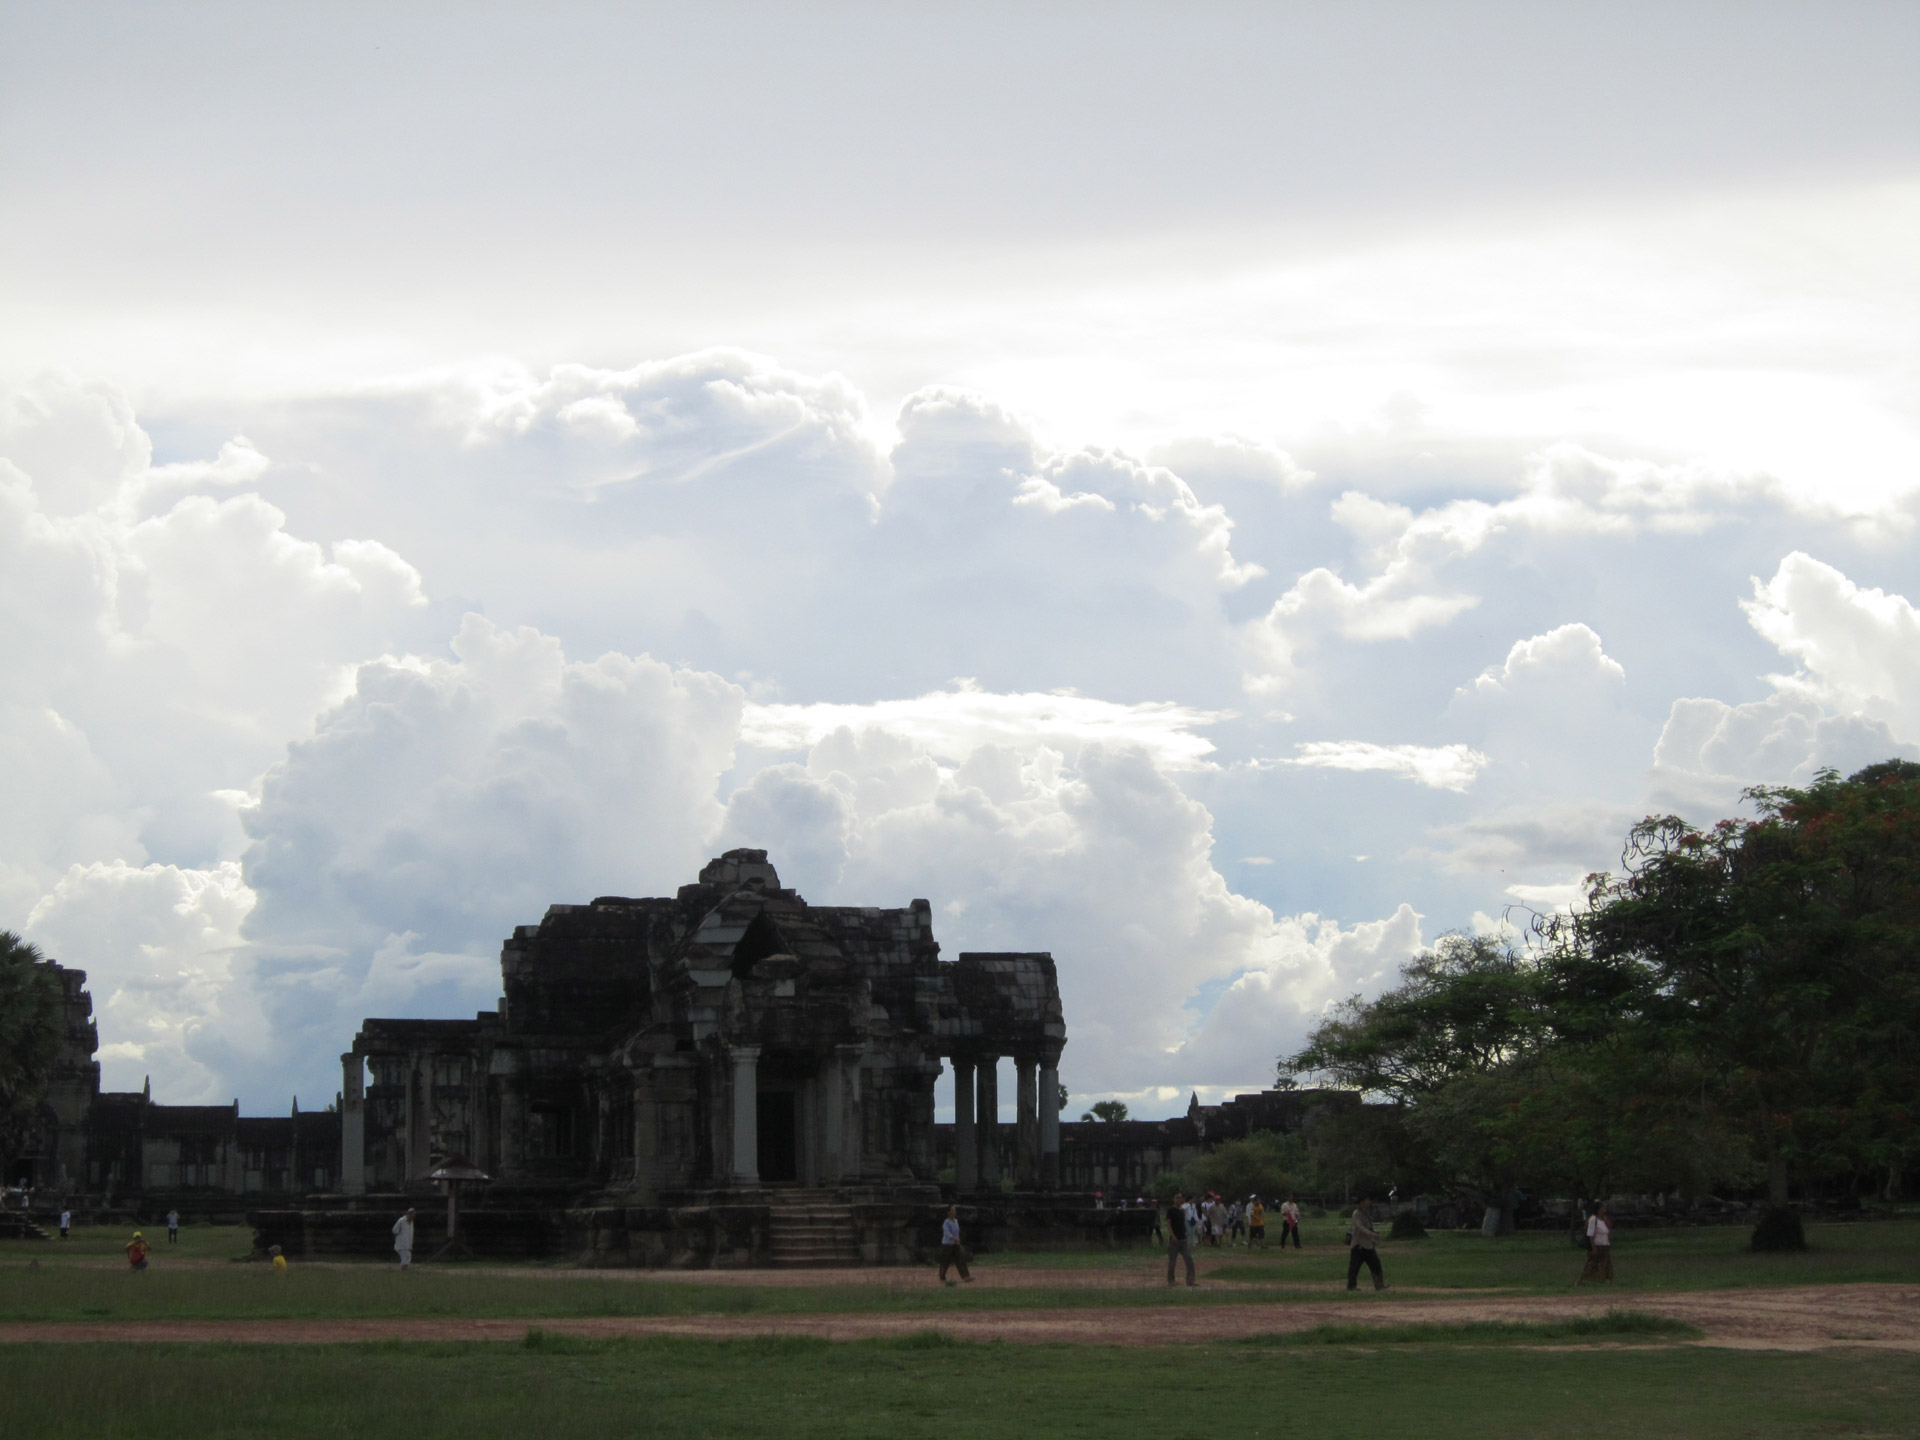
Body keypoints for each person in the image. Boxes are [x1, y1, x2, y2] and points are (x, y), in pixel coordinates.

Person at [1346, 1195, 1386, 1291]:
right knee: (1354, 1267)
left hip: (1368, 1245)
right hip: (1358, 1245)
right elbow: (1360, 1227)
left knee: (1376, 1264)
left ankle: (1379, 1285)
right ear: (1362, 1202)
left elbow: (1369, 1227)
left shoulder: (1366, 1213)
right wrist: (1371, 1234)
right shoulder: (1357, 1214)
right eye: (1367, 1200)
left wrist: (1373, 1237)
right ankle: (1351, 1286)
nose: (1369, 1202)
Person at [1165, 1190, 1196, 1287]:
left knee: (1189, 1259)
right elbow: (1168, 1223)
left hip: (1183, 1239)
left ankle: (1190, 1280)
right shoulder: (1171, 1210)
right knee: (1172, 1262)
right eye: (1176, 1198)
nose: (1178, 1199)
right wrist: (1172, 1235)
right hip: (1175, 1240)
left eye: (1180, 1198)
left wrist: (1185, 1234)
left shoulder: (1181, 1211)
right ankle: (1171, 1281)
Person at [1577, 1201, 1613, 1285]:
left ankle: (1610, 1280)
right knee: (1593, 1263)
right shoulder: (1593, 1219)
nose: (1605, 1209)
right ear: (1598, 1209)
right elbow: (1590, 1234)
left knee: (1607, 1262)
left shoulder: (1604, 1219)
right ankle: (1581, 1280)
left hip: (1605, 1244)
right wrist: (1594, 1247)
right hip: (1597, 1245)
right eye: (1603, 1208)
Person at [937, 1204, 972, 1286]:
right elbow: (946, 1233)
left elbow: (957, 1232)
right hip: (947, 1244)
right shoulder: (946, 1222)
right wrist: (953, 1238)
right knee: (945, 1261)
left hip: (955, 1244)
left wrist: (957, 1240)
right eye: (952, 1211)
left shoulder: (956, 1221)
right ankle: (942, 1277)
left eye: (955, 1210)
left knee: (960, 1259)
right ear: (948, 1212)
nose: (954, 1212)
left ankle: (966, 1276)